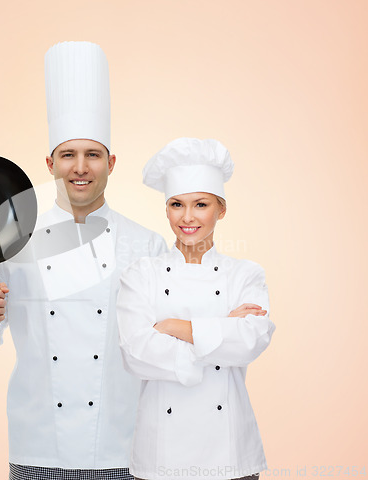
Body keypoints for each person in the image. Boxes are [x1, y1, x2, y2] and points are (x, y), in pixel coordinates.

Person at [0, 41, 167, 480]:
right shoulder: (16, 239)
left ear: (111, 163)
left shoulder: (145, 245)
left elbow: (166, 346)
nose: (80, 167)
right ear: (50, 163)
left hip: (123, 448)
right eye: (68, 155)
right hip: (38, 447)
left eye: (92, 155)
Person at [116, 138, 276, 480]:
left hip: (230, 454)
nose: (187, 217)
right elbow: (135, 354)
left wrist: (173, 326)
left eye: (200, 204)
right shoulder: (141, 274)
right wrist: (220, 331)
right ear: (167, 209)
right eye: (177, 204)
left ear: (221, 209)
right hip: (161, 457)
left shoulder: (245, 273)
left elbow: (250, 342)